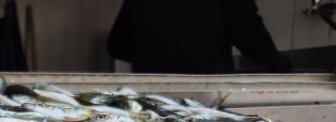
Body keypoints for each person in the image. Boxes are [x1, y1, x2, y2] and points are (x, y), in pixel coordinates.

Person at [109, 0, 294, 74]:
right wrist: (275, 60)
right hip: (204, 87)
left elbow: (117, 45)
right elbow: (248, 32)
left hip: (150, 88)